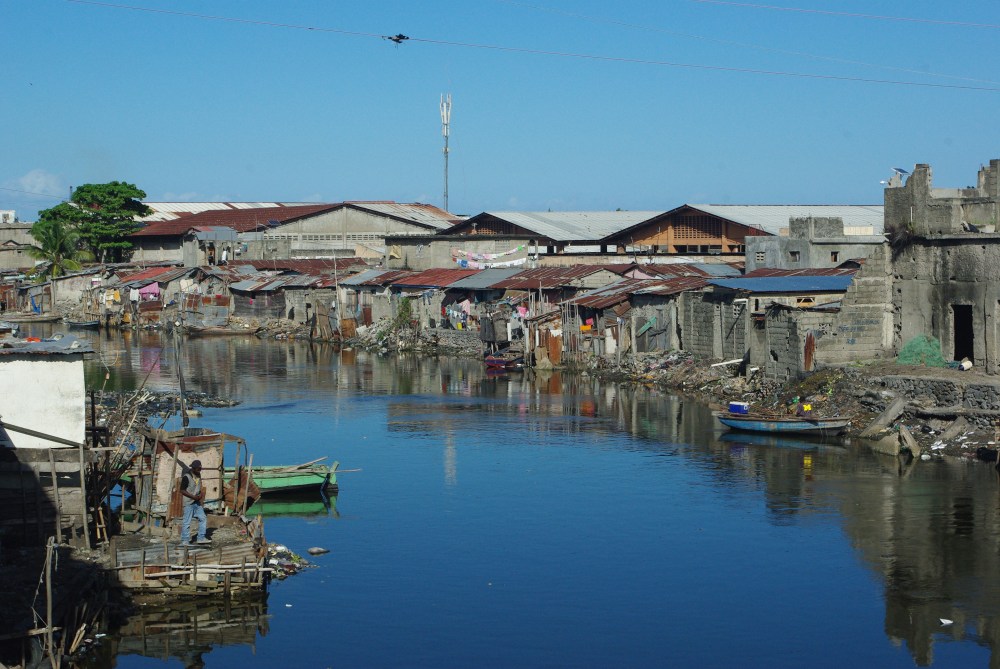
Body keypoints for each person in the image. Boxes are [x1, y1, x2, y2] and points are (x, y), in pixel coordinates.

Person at [180, 460, 211, 546]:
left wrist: (200, 494)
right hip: (188, 502)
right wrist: (193, 496)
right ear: (193, 468)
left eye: (200, 469)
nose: (199, 470)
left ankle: (201, 538)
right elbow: (182, 490)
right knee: (187, 522)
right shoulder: (186, 477)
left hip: (196, 502)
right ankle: (185, 540)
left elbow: (198, 486)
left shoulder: (198, 475)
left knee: (203, 518)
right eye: (198, 469)